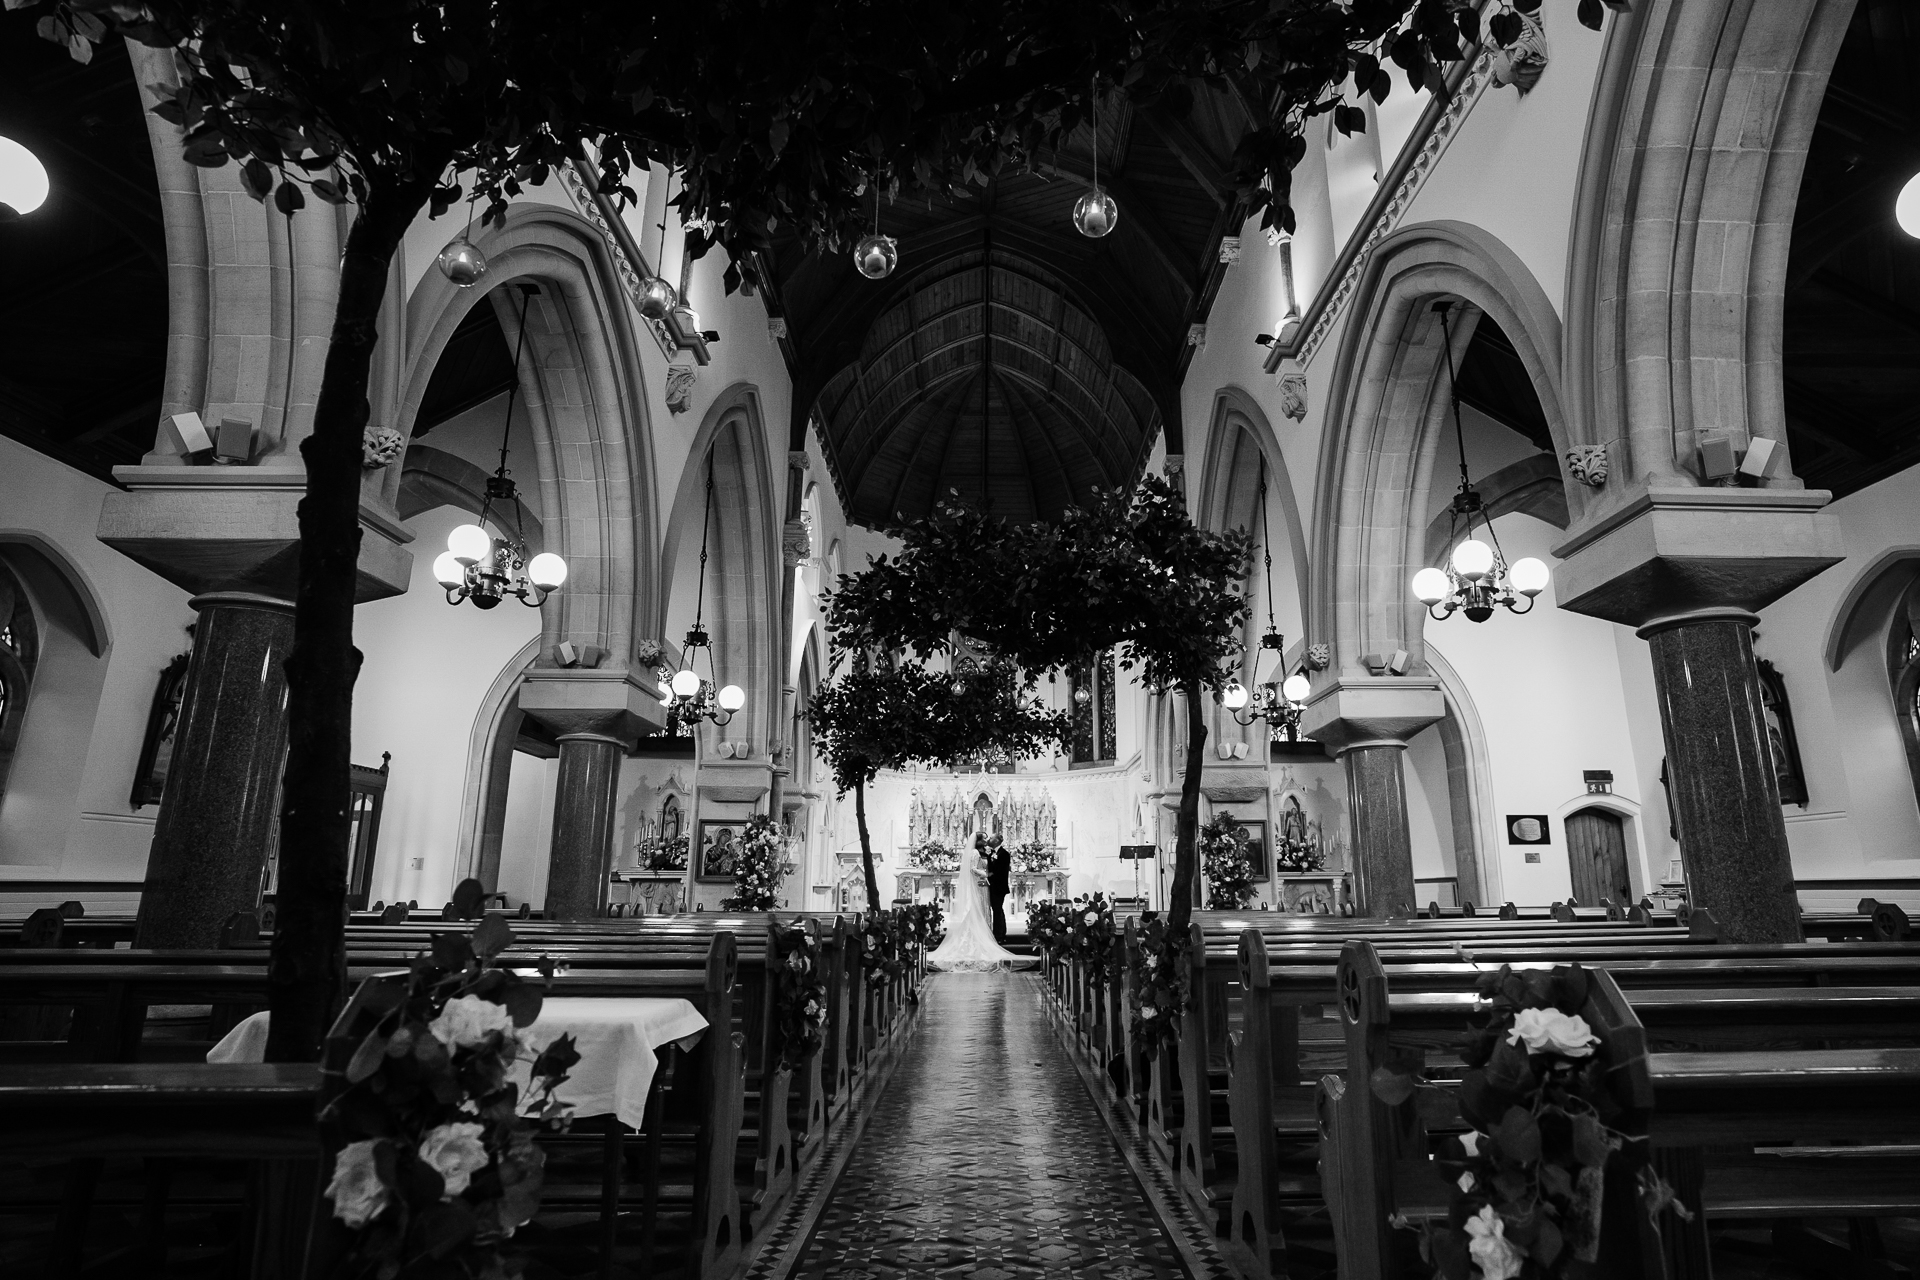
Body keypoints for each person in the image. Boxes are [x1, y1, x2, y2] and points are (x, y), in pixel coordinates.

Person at [926, 830, 1028, 971]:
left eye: (989, 838)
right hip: (983, 885)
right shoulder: (975, 853)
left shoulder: (995, 853)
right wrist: (986, 874)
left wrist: (988, 876)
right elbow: (973, 868)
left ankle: (996, 935)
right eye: (985, 838)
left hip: (990, 886)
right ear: (978, 840)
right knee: (983, 910)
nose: (987, 841)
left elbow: (998, 870)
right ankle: (990, 936)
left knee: (992, 910)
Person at [984, 833, 1012, 942]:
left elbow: (1001, 871)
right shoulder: (991, 853)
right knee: (997, 909)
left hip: (999, 887)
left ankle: (999, 935)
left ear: (996, 841)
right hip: (994, 886)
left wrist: (990, 875)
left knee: (997, 909)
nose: (989, 840)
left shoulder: (1004, 854)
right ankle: (1000, 933)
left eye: (991, 838)